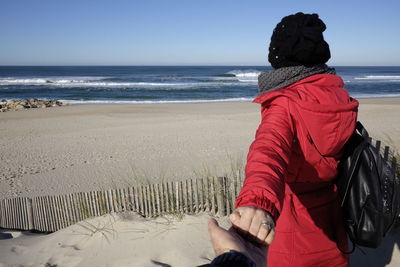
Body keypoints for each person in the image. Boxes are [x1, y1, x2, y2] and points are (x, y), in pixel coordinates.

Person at [230, 12, 359, 266]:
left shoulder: (286, 103)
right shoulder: (339, 96)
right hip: (333, 222)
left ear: (280, 57)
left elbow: (268, 150)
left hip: (293, 229)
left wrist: (258, 200)